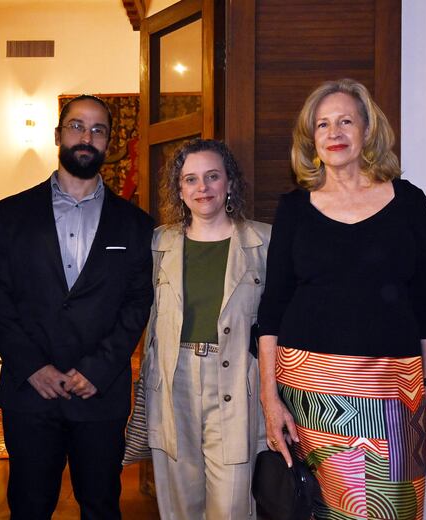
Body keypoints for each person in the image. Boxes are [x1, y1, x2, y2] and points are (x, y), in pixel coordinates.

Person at [257, 78, 426, 520]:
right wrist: (269, 397)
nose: (334, 133)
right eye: (322, 125)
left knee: (393, 508)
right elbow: (273, 307)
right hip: (309, 390)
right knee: (322, 511)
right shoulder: (294, 208)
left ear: (367, 131)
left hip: (393, 388)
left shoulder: (410, 202)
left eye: (345, 121)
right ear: (312, 139)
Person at [0, 94, 154, 520]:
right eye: (77, 126)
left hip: (99, 393)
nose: (87, 136)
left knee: (100, 505)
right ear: (58, 134)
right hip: (30, 392)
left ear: (109, 142)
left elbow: (138, 303)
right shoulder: (11, 214)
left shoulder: (135, 224)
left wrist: (97, 370)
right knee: (27, 506)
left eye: (98, 129)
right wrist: (30, 365)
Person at [143, 138, 270, 519]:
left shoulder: (264, 242)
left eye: (213, 177)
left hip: (235, 382)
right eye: (191, 180)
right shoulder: (159, 243)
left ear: (229, 183)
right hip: (173, 381)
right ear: (179, 190)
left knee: (232, 505)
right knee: (179, 503)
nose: (203, 188)